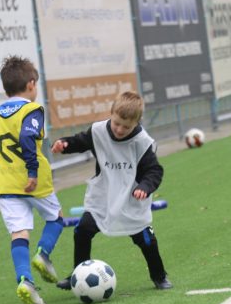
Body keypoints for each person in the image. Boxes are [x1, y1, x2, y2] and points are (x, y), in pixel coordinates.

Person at [50, 91, 173, 290]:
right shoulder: (98, 130)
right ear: (111, 113)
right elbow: (80, 141)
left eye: (126, 126)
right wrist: (64, 144)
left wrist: (144, 186)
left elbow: (154, 170)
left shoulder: (142, 142)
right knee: (82, 231)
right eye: (116, 123)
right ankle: (77, 274)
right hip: (103, 197)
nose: (119, 129)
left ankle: (159, 276)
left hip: (131, 200)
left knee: (147, 241)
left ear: (137, 122)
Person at [0, 56, 64, 304]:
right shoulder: (31, 109)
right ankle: (43, 255)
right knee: (56, 218)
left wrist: (5, 170)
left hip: (5, 186)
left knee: (19, 233)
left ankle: (25, 280)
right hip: (33, 181)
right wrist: (30, 171)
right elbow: (28, 138)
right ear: (30, 84)